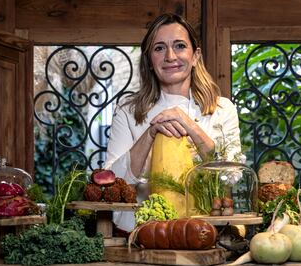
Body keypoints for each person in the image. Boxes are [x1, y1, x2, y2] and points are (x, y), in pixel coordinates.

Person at [104, 13, 242, 231]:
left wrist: (190, 125)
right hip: (140, 231)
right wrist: (150, 134)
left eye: (179, 46)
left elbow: (231, 176)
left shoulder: (223, 109)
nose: (170, 56)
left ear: (195, 56)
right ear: (149, 60)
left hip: (206, 229)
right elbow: (112, 182)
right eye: (159, 48)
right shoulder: (128, 111)